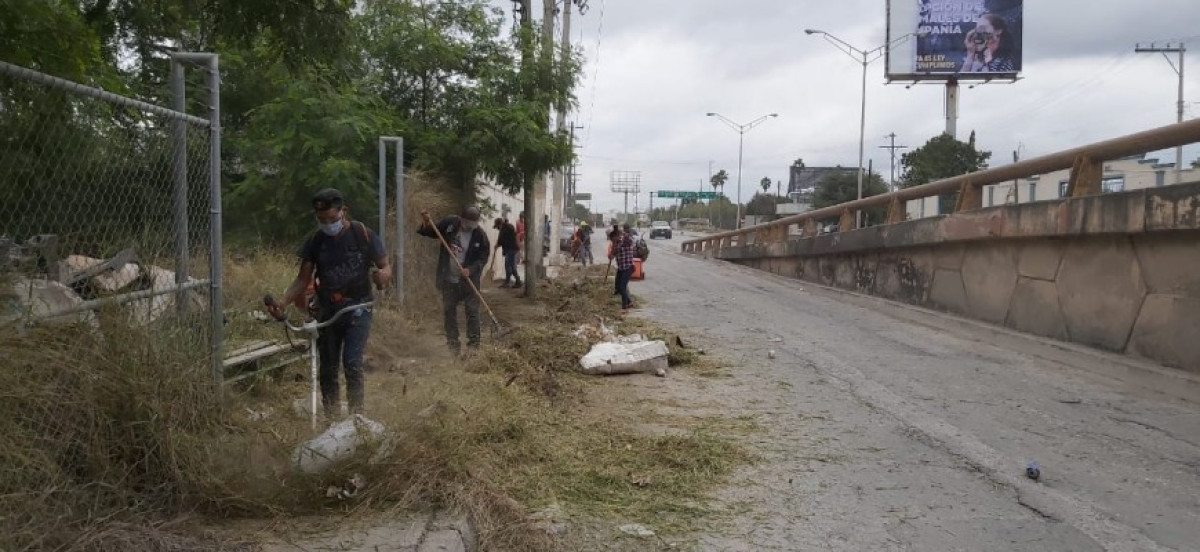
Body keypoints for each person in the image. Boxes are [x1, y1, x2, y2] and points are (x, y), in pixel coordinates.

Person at [268, 188, 390, 418]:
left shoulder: (362, 233)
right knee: (327, 368)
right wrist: (283, 303)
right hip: (328, 310)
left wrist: (384, 275)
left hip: (358, 307)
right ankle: (332, 420)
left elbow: (385, 265)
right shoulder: (315, 241)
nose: (327, 224)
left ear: (343, 212)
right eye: (322, 220)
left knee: (352, 363)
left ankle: (356, 420)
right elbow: (303, 279)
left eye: (332, 219)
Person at [418, 206, 490, 354]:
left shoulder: (480, 236)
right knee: (449, 310)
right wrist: (427, 223)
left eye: (472, 224)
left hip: (469, 281)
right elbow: (431, 232)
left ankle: (473, 346)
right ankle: (453, 345)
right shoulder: (450, 224)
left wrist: (471, 269)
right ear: (461, 218)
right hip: (449, 278)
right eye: (466, 223)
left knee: (472, 311)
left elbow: (482, 259)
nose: (468, 226)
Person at [610, 224, 636, 313]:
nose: (612, 241)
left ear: (617, 236)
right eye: (612, 240)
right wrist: (612, 250)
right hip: (621, 268)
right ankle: (629, 302)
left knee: (622, 287)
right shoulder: (615, 244)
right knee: (617, 287)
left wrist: (621, 232)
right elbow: (612, 255)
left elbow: (630, 239)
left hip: (628, 267)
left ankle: (624, 307)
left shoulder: (625, 240)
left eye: (613, 239)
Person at [493, 217, 522, 288]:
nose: (497, 229)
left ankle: (517, 281)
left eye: (497, 227)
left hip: (511, 249)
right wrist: (498, 244)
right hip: (510, 249)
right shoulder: (505, 228)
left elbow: (503, 239)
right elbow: (502, 239)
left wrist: (498, 244)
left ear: (500, 224)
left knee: (510, 266)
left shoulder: (507, 228)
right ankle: (509, 281)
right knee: (509, 266)